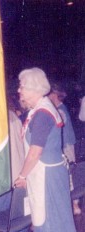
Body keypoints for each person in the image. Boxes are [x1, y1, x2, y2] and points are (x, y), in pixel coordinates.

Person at [14, 67, 80, 232]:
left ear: (33, 88)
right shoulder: (39, 109)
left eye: (22, 86)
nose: (19, 90)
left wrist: (22, 176)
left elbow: (35, 151)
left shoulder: (42, 113)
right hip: (48, 173)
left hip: (48, 175)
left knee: (54, 222)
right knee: (54, 220)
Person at [49, 82, 81, 215]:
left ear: (55, 95)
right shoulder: (62, 108)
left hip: (65, 147)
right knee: (70, 176)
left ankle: (74, 205)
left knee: (69, 176)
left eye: (49, 94)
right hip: (68, 146)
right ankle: (74, 205)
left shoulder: (60, 110)